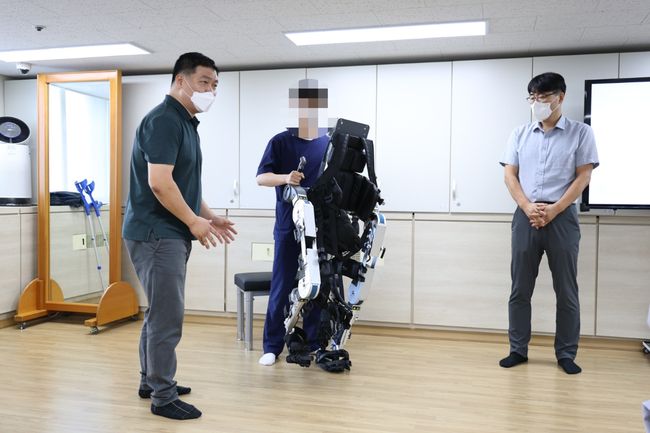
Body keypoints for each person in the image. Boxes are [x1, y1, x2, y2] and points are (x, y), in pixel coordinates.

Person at [123, 52, 237, 419]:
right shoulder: (163, 121)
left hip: (167, 231)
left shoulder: (186, 123)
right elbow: (159, 183)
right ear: (180, 81)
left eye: (214, 85)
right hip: (156, 233)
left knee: (160, 311)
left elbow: (181, 182)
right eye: (204, 82)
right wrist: (192, 221)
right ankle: (163, 396)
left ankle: (150, 380)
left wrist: (208, 216)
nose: (210, 91)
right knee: (167, 316)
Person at [499, 72, 599, 375]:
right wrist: (527, 206)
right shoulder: (519, 134)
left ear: (560, 97)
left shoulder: (581, 133)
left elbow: (583, 176)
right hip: (525, 215)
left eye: (543, 97)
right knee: (520, 288)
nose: (537, 103)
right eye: (532, 98)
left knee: (566, 290)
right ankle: (518, 349)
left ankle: (566, 354)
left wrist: (554, 210)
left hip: (562, 216)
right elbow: (510, 175)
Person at [256, 78, 330, 366]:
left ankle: (314, 342)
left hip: (321, 225)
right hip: (290, 225)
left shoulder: (328, 142)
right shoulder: (280, 141)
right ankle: (272, 346)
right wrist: (286, 178)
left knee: (318, 285)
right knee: (283, 284)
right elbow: (262, 178)